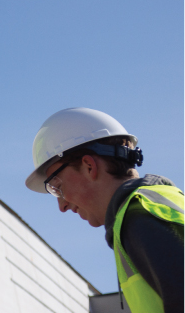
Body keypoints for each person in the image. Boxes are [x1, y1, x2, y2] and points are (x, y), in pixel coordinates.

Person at [25, 108, 182, 313]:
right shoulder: (159, 205)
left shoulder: (139, 216)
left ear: (89, 166)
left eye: (57, 186)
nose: (62, 206)